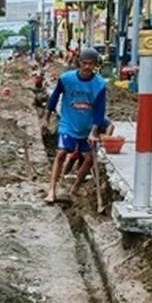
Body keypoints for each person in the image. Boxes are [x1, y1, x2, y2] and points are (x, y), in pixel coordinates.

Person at [42, 48, 107, 203]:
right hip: (68, 123)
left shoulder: (99, 84)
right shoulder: (66, 79)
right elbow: (54, 97)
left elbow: (99, 110)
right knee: (61, 153)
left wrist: (94, 132)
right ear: (79, 62)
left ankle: (75, 187)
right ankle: (52, 190)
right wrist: (46, 118)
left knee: (90, 158)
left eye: (91, 64)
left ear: (95, 65)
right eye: (84, 63)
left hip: (87, 126)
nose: (87, 67)